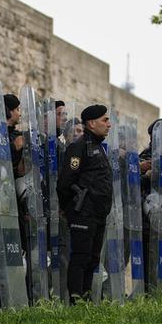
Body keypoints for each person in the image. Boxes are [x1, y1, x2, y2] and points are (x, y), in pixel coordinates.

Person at [57, 105, 114, 300]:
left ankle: (87, 299)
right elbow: (65, 182)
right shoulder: (79, 147)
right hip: (83, 213)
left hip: (98, 214)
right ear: (91, 123)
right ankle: (76, 300)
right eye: (104, 120)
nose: (109, 124)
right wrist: (69, 209)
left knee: (93, 259)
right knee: (80, 258)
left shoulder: (98, 147)